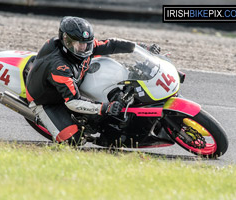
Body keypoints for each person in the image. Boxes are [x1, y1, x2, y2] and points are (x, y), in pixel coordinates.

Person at [26, 16, 160, 145]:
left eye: (86, 43)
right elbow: (72, 102)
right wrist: (106, 107)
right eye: (78, 44)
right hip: (48, 101)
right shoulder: (59, 67)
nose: (83, 48)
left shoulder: (85, 46)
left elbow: (111, 45)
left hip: (72, 82)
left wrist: (142, 47)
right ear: (65, 40)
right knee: (74, 141)